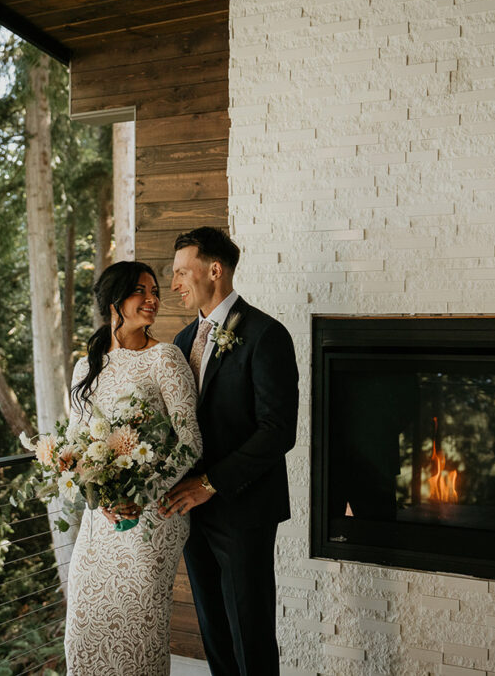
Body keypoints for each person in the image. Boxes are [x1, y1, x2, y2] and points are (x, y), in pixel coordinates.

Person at [160, 227, 299, 676]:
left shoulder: (266, 334)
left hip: (243, 509)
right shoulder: (182, 342)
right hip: (192, 512)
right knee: (214, 633)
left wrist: (210, 483)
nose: (176, 283)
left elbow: (278, 431)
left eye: (183, 272)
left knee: (250, 634)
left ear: (213, 270)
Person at [63, 261, 202, 675]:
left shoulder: (166, 358)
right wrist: (98, 496)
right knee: (84, 629)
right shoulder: (86, 367)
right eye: (141, 291)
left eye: (155, 290)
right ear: (114, 302)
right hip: (99, 522)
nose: (153, 299)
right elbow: (73, 447)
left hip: (151, 521)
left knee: (139, 636)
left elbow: (190, 442)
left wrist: (138, 495)